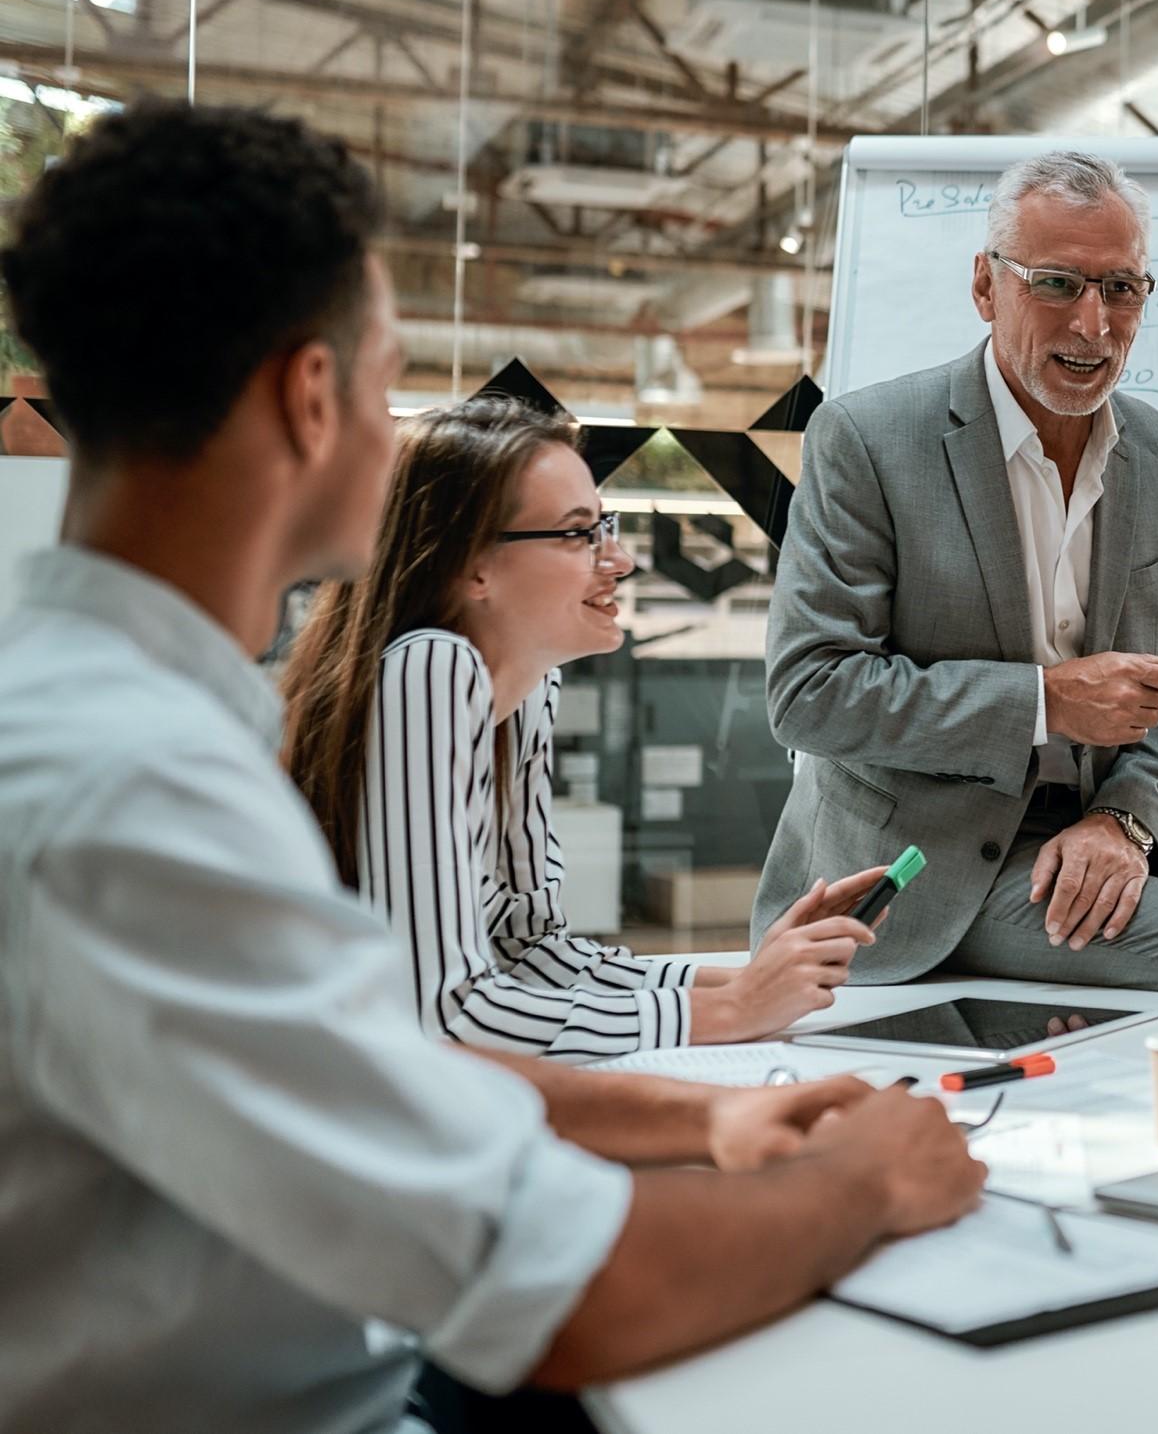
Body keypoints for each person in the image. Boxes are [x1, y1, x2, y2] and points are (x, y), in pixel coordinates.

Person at [0, 103, 984, 1430]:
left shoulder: (131, 714)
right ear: (309, 395)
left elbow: (396, 1066)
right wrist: (866, 1177)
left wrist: (700, 1125)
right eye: (389, 376)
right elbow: (578, 1292)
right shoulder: (134, 787)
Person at [756, 150, 1158, 1018]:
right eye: (1057, 284)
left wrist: (1122, 821)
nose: (1094, 325)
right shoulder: (866, 439)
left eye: (1121, 289)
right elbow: (810, 694)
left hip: (1085, 838)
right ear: (985, 286)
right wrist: (1044, 703)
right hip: (913, 871)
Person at [280, 394, 887, 1057]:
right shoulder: (432, 667)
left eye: (606, 525)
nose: (618, 560)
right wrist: (731, 1010)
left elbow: (532, 954)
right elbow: (446, 1015)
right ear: (470, 566)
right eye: (577, 533)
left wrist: (752, 977)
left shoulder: (526, 690)